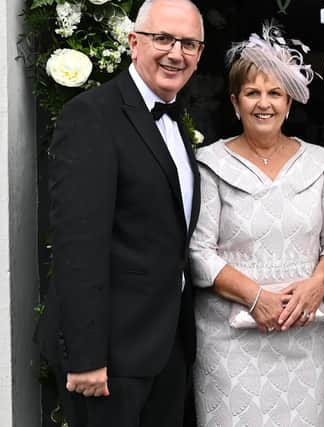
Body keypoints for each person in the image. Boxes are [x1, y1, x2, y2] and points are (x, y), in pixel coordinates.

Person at [35, 0, 204, 425]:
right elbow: (77, 244)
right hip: (109, 360)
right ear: (133, 42)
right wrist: (87, 357)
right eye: (163, 38)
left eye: (189, 43)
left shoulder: (175, 123)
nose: (175, 53)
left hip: (163, 350)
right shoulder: (92, 115)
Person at [188, 24, 324, 426]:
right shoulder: (209, 164)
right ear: (235, 102)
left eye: (274, 93)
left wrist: (316, 285)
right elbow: (198, 252)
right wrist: (257, 298)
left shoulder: (322, 163)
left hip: (304, 335)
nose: (264, 103)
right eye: (252, 93)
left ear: (289, 102)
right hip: (231, 340)